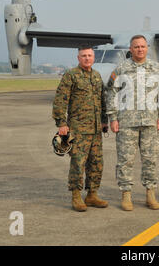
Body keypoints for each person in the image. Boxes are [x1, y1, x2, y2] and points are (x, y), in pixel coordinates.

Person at [107, 35, 159, 211]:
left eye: (142, 46)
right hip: (126, 123)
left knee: (150, 159)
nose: (140, 49)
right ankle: (126, 194)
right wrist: (113, 118)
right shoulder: (121, 69)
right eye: (136, 47)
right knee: (125, 160)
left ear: (147, 48)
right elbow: (111, 94)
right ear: (130, 49)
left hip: (150, 122)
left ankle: (150, 193)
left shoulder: (156, 68)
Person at [52, 46, 109, 212]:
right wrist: (61, 123)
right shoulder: (71, 75)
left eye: (90, 55)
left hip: (96, 129)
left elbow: (102, 101)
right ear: (78, 58)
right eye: (83, 56)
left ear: (94, 57)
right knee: (78, 163)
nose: (87, 58)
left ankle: (92, 194)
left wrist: (104, 121)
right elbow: (60, 100)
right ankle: (76, 196)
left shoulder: (97, 76)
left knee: (97, 163)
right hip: (78, 129)